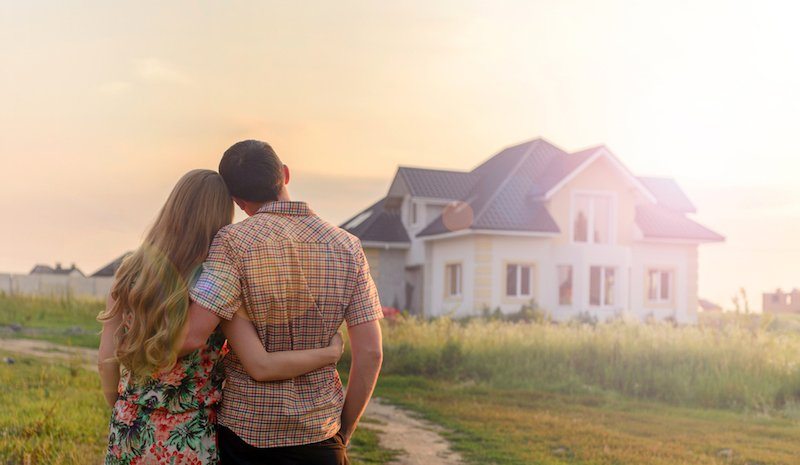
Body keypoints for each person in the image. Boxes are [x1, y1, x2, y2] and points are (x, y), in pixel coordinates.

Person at [97, 169, 344, 465]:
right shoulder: (215, 284)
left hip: (130, 427)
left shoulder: (129, 273)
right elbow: (261, 363)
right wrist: (330, 353)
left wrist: (125, 408)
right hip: (190, 436)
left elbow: (105, 361)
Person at [181, 140, 384, 465]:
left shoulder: (232, 242)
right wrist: (343, 432)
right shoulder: (348, 247)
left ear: (238, 201)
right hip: (320, 434)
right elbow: (371, 353)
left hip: (245, 436)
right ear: (285, 174)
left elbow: (193, 334)